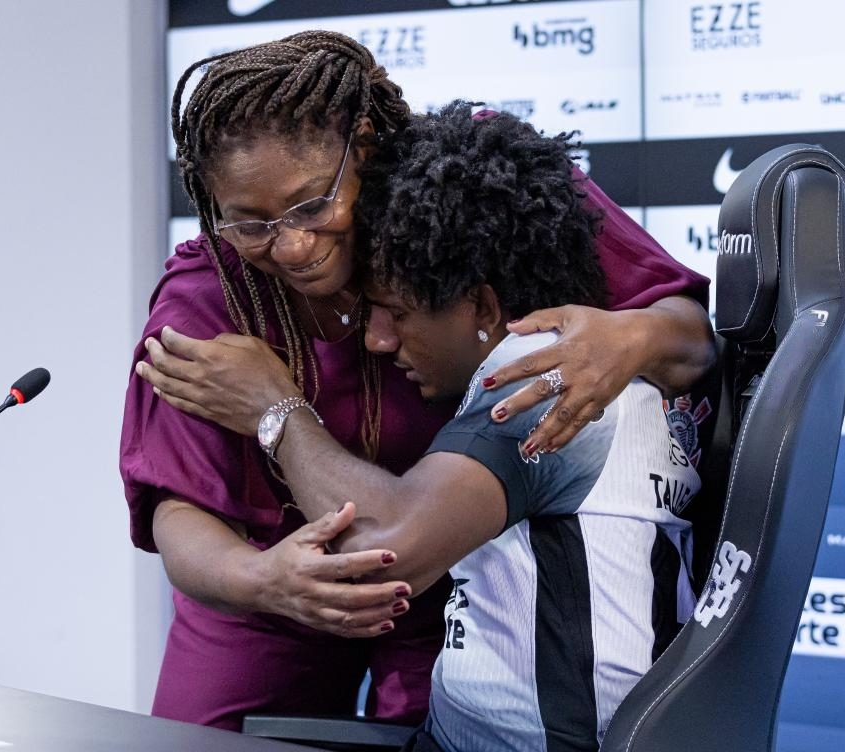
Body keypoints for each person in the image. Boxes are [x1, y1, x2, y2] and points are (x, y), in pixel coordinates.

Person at [120, 31, 713, 731]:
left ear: (363, 146)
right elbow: (175, 505)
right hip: (276, 578)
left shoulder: (466, 192)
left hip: (457, 567)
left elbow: (691, 333)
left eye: (312, 207)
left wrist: (628, 335)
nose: (292, 246)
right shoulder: (210, 293)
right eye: (251, 224)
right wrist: (262, 581)